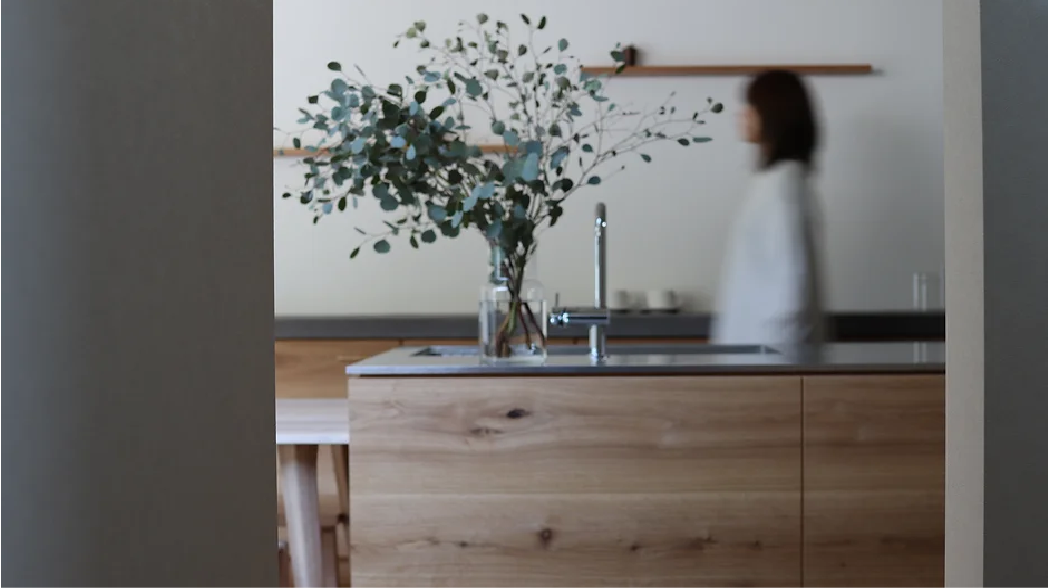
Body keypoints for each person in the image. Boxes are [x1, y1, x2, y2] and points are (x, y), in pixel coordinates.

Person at [711, 69, 827, 358]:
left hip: (771, 361)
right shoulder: (776, 183)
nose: (742, 116)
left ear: (773, 115)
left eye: (750, 107)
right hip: (760, 357)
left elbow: (793, 287)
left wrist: (774, 366)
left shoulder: (784, 187)